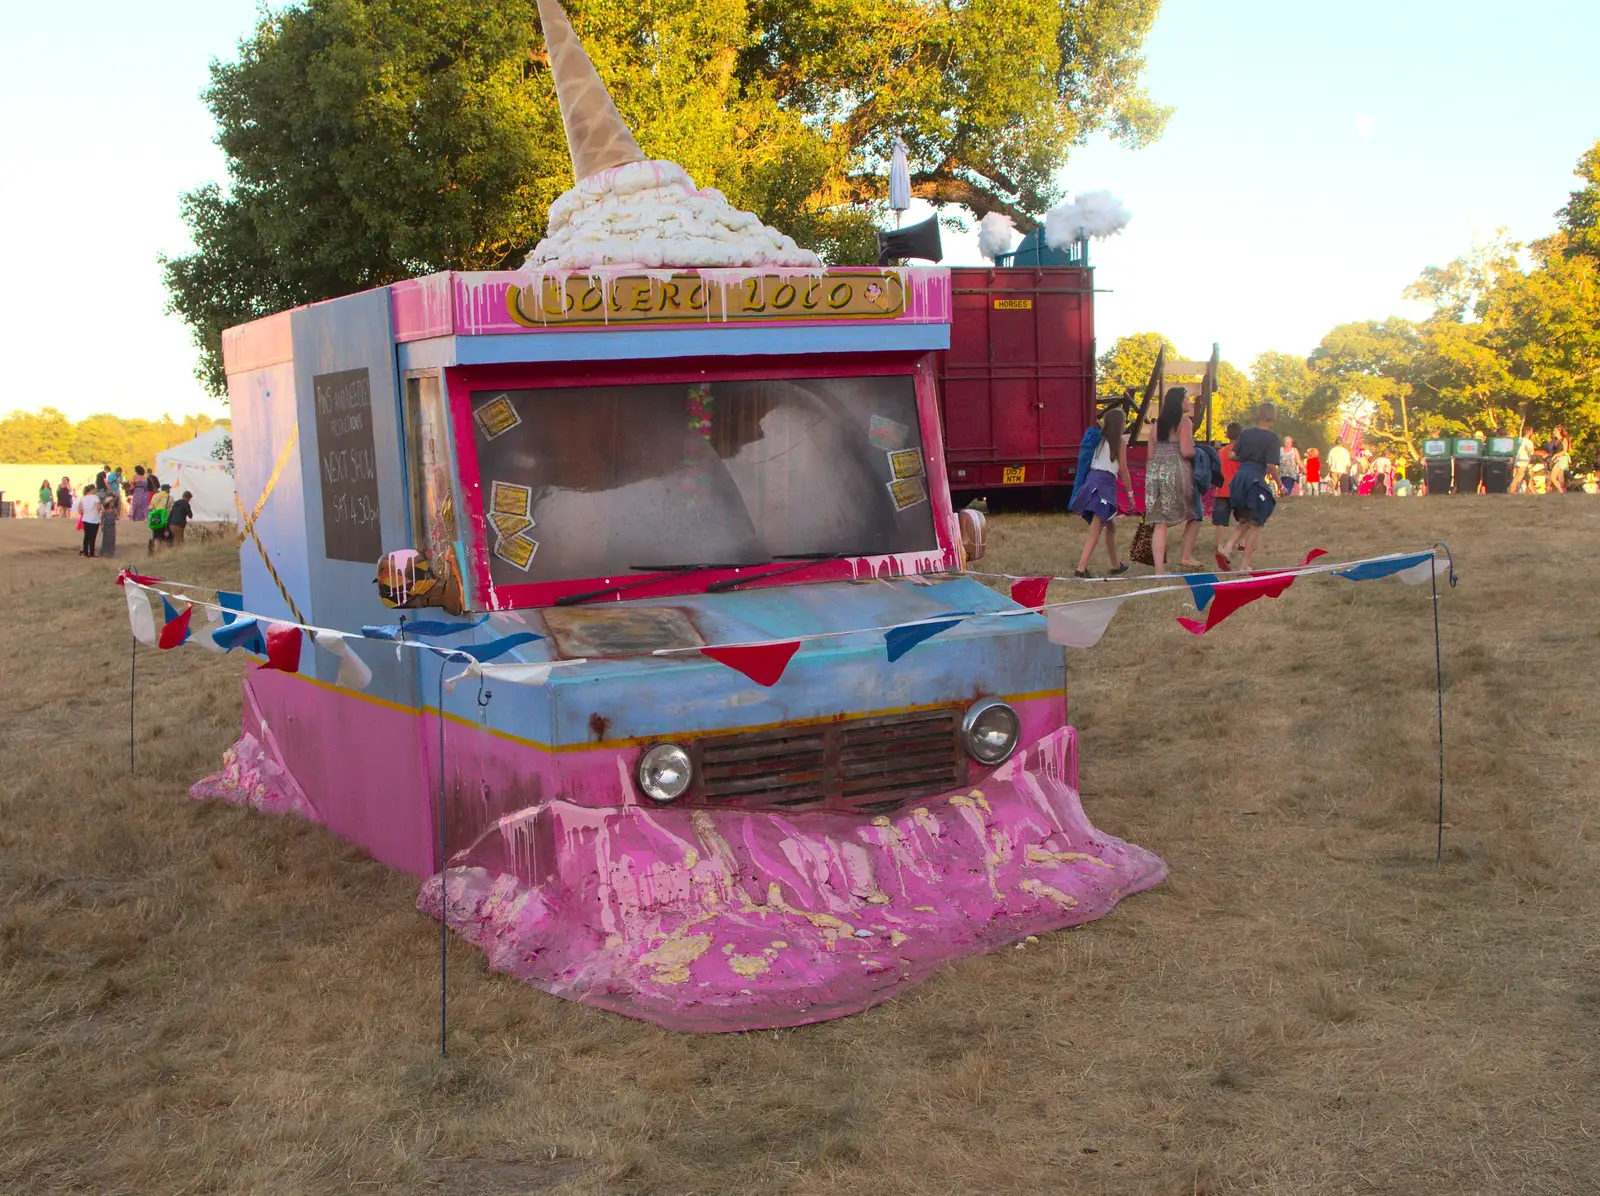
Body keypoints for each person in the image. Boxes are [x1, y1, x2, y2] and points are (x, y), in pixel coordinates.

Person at [1069, 406, 1133, 578]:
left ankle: (1115, 565)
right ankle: (1081, 568)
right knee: (1096, 529)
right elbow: (1124, 470)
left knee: (1110, 525)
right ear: (1119, 424)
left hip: (1091, 481)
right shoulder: (1120, 442)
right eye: (1125, 419)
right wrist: (1130, 494)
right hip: (1104, 485)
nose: (1126, 422)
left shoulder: (1098, 440)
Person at [1143, 387, 1201, 572]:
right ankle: (1186, 554)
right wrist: (1200, 452)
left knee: (1160, 523)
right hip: (1174, 469)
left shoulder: (1156, 425)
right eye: (1187, 398)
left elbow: (1150, 455)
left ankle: (1159, 571)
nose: (1189, 402)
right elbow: (1185, 451)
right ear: (1179, 401)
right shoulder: (1184, 422)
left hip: (1154, 472)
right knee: (1193, 511)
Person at [1219, 402, 1281, 572]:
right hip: (1255, 480)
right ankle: (1245, 564)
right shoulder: (1272, 438)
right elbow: (1270, 465)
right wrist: (1280, 484)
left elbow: (1232, 455)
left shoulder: (1245, 433)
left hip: (1240, 479)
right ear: (1272, 416)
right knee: (1256, 523)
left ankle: (1227, 547)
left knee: (1247, 518)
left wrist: (1247, 458)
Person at [1211, 421, 1242, 558]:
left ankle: (1220, 545)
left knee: (1220, 521)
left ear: (1227, 435)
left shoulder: (1221, 452)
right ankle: (1242, 541)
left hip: (1222, 489)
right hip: (1239, 490)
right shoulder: (1243, 452)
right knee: (1243, 519)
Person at [78, 484, 102, 557]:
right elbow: (98, 508)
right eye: (95, 489)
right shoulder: (95, 497)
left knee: (86, 536)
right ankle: (91, 553)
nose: (95, 490)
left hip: (85, 519)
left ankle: (85, 552)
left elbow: (80, 511)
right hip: (94, 519)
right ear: (91, 490)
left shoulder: (83, 498)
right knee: (92, 537)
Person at [148, 484, 173, 554]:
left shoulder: (155, 496)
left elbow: (150, 507)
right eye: (169, 489)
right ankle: (164, 553)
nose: (169, 490)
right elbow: (171, 508)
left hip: (156, 518)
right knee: (165, 537)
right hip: (165, 519)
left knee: (156, 537)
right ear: (166, 489)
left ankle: (157, 551)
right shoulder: (170, 497)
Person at [1546, 426, 1571, 493]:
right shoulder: (1556, 440)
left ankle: (1561, 492)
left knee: (1553, 477)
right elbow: (1553, 451)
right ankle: (1560, 491)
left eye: (1555, 431)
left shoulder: (1564, 439)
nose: (1553, 432)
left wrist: (1556, 455)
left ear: (1559, 431)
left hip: (1561, 459)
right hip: (1556, 460)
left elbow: (1564, 451)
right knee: (1557, 478)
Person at [97, 484, 120, 557]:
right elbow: (102, 518)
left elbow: (117, 517)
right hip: (106, 526)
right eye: (111, 502)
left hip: (112, 526)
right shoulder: (104, 510)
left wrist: (116, 515)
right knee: (106, 539)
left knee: (112, 539)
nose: (112, 503)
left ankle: (111, 552)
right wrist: (102, 525)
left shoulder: (114, 510)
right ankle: (104, 551)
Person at [1511, 429, 1535, 493]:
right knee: (1517, 480)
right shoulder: (1528, 442)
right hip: (1524, 462)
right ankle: (1509, 494)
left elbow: (1513, 453)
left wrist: (1513, 462)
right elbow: (1531, 453)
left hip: (1517, 461)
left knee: (1526, 481)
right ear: (1529, 433)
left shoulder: (1518, 441)